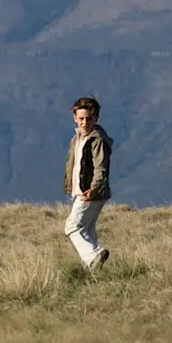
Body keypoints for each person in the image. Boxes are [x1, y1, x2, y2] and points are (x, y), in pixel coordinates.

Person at [62, 97, 114, 271]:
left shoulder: (97, 139)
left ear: (96, 118)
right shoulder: (76, 138)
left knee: (72, 226)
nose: (85, 122)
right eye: (82, 118)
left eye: (89, 118)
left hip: (91, 191)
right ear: (75, 118)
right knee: (87, 230)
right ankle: (92, 270)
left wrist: (94, 188)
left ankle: (93, 255)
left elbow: (101, 167)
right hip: (80, 191)